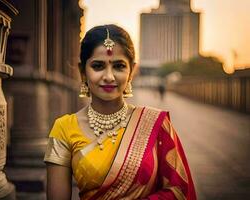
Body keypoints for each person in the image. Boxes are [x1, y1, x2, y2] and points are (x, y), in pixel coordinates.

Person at [44, 24, 196, 200]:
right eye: (98, 66)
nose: (109, 76)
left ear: (132, 70)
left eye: (119, 66)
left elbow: (180, 192)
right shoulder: (64, 128)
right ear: (82, 71)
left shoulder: (155, 124)